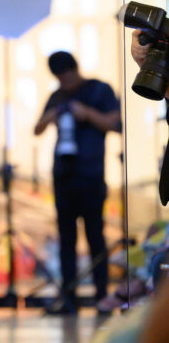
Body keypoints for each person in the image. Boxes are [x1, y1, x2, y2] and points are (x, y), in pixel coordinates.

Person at [34, 51, 121, 315]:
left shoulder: (99, 90)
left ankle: (101, 295)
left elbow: (115, 123)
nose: (65, 82)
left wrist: (86, 113)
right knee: (66, 239)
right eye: (60, 78)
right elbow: (37, 128)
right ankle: (68, 296)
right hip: (64, 177)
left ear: (75, 70)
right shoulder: (57, 95)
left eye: (67, 76)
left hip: (91, 174)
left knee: (95, 236)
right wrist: (53, 116)